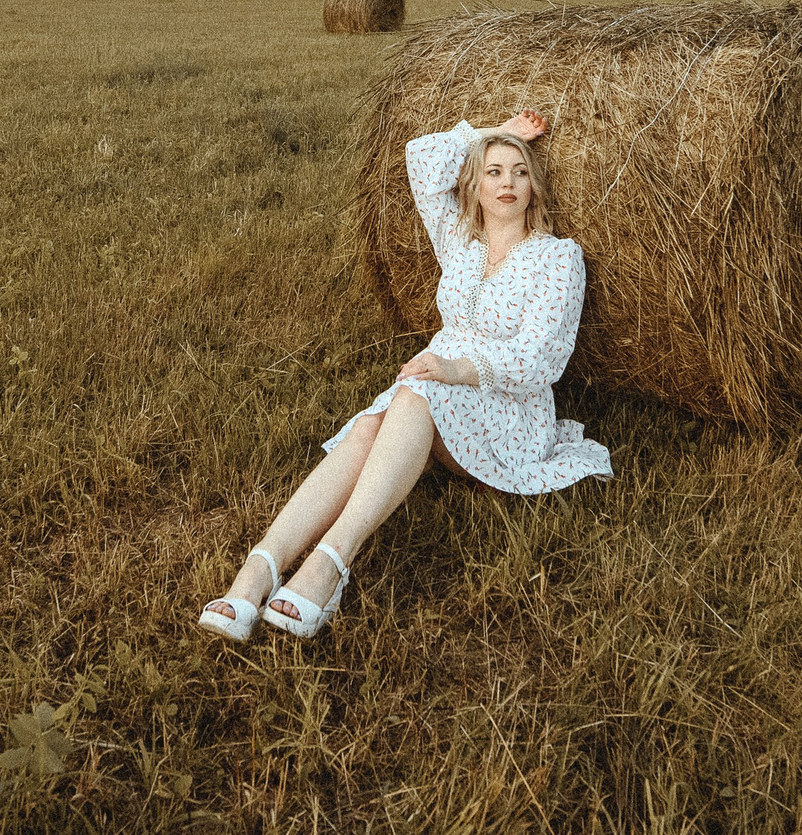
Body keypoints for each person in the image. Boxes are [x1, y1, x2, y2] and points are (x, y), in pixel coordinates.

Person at [197, 110, 611, 641]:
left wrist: (458, 369)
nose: (507, 182)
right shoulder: (459, 244)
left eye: (520, 171)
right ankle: (261, 568)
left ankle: (330, 565)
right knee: (374, 422)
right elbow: (421, 156)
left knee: (409, 398)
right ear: (475, 185)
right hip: (435, 387)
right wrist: (494, 132)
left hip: (509, 409)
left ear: (535, 186)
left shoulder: (558, 258)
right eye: (494, 171)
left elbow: (543, 359)